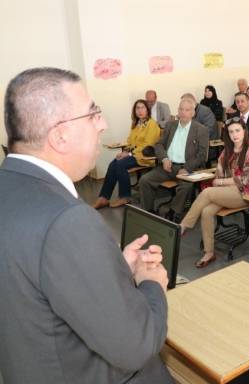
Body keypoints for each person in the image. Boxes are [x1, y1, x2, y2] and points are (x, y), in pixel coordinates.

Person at [0, 67, 171, 383]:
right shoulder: (69, 220)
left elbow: (36, 283)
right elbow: (135, 345)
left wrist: (113, 268)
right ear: (60, 135)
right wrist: (151, 283)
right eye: (93, 115)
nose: (103, 124)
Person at [180, 118, 249, 268]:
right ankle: (209, 252)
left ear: (244, 131)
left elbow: (246, 179)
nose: (234, 135)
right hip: (228, 192)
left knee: (207, 193)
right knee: (206, 211)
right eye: (231, 132)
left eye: (237, 130)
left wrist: (221, 182)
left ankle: (183, 226)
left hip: (247, 194)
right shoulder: (228, 150)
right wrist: (220, 181)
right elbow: (219, 173)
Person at [139, 97, 209, 222]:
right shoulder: (170, 125)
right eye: (181, 109)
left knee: (186, 186)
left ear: (193, 113)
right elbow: (159, 145)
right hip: (167, 166)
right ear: (178, 111)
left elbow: (202, 155)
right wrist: (164, 159)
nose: (183, 112)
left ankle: (174, 212)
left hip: (187, 168)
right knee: (145, 180)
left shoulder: (201, 130)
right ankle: (148, 211)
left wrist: (186, 168)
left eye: (187, 110)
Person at [93, 99, 161, 209]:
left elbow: (147, 146)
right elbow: (130, 141)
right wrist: (125, 151)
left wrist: (129, 154)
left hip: (146, 156)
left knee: (120, 164)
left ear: (147, 110)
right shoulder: (136, 124)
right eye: (137, 108)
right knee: (113, 163)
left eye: (142, 108)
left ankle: (125, 197)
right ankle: (104, 198)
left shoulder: (152, 124)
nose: (140, 111)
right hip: (134, 155)